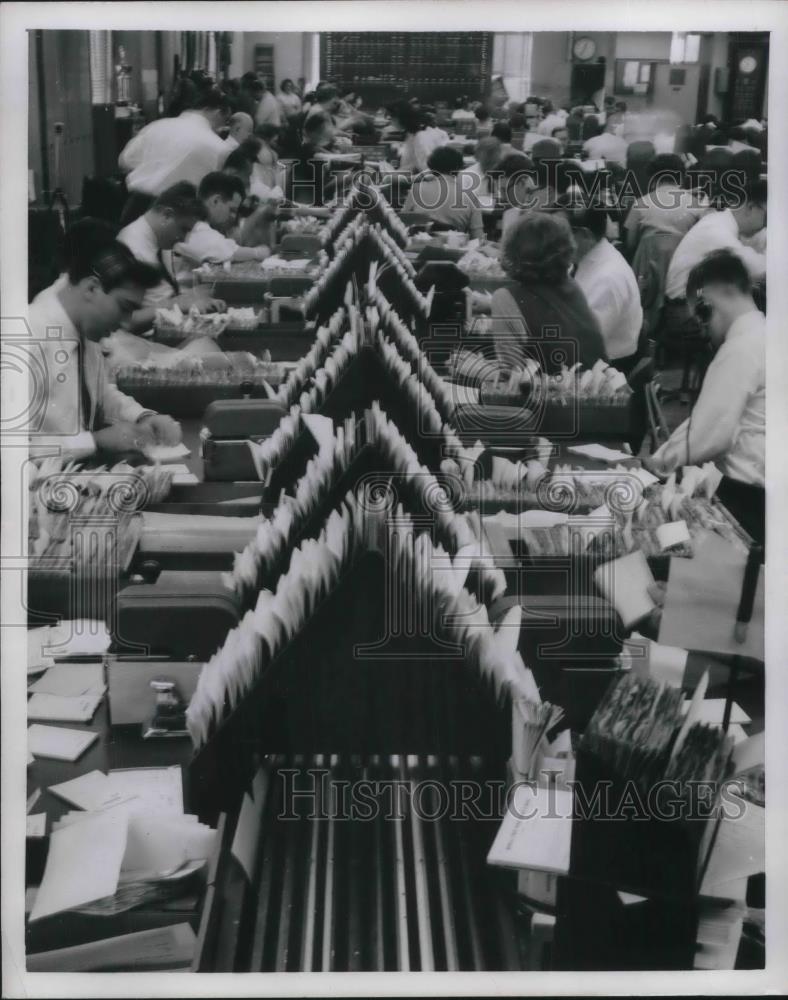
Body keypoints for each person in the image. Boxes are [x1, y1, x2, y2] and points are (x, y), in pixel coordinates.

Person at [28, 222, 181, 462]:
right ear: (92, 288)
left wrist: (143, 417)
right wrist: (95, 441)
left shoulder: (84, 330)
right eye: (124, 307)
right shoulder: (29, 336)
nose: (127, 321)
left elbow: (99, 392)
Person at [647, 250, 764, 544]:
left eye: (701, 316)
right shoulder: (765, 334)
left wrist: (655, 466)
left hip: (745, 498)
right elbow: (708, 420)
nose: (704, 330)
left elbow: (709, 434)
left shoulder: (741, 349)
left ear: (708, 302)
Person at [491, 212, 608, 373]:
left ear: (512, 252)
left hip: (549, 394)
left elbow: (511, 376)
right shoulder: (573, 286)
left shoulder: (503, 298)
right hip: (595, 390)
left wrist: (472, 369)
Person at [117, 181, 223, 333]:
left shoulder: (158, 240)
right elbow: (123, 321)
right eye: (183, 229)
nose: (183, 239)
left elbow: (163, 296)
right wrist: (177, 303)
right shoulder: (131, 246)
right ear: (166, 215)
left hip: (168, 328)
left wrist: (192, 297)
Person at [118, 89, 231, 223]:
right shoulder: (219, 147)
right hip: (179, 215)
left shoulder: (157, 126)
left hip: (136, 207)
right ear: (218, 113)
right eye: (225, 121)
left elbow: (124, 161)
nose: (223, 128)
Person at [558, 196, 644, 370]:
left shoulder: (608, 277)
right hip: (588, 358)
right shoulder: (587, 259)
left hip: (605, 369)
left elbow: (585, 345)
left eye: (559, 233)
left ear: (585, 235)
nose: (552, 240)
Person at [665, 179, 767, 302]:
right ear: (750, 208)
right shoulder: (717, 230)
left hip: (691, 303)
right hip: (683, 310)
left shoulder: (721, 221)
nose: (765, 226)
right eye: (767, 218)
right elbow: (758, 269)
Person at [175, 172, 271, 266]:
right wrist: (257, 252)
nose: (233, 216)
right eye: (231, 210)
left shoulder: (198, 219)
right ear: (215, 201)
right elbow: (228, 251)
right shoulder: (194, 223)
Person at [624, 153, 709, 256]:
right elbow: (701, 242)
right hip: (682, 265)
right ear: (681, 177)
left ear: (653, 178)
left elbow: (630, 245)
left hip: (645, 268)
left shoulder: (640, 204)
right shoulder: (695, 204)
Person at [402, 146, 484, 239]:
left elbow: (402, 223)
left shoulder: (416, 189)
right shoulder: (470, 197)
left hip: (417, 248)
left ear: (431, 167)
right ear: (459, 167)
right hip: (453, 249)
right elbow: (478, 238)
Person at [287, 112, 337, 207]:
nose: (332, 131)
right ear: (315, 132)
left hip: (314, 197)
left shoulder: (312, 148)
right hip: (304, 203)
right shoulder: (310, 151)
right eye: (328, 128)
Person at [389, 100, 448, 175]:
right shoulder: (411, 134)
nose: (391, 121)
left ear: (400, 118)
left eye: (392, 117)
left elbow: (428, 171)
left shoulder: (420, 137)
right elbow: (412, 164)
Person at [498, 153, 538, 235]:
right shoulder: (510, 213)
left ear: (522, 182)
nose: (502, 197)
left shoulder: (539, 216)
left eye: (505, 190)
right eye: (500, 190)